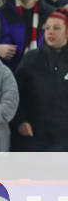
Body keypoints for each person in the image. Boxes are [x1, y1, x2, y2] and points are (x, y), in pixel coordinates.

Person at [13, 11, 68, 150]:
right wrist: (20, 121)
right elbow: (16, 92)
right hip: (35, 135)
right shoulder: (31, 58)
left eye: (56, 28)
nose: (50, 32)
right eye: (47, 28)